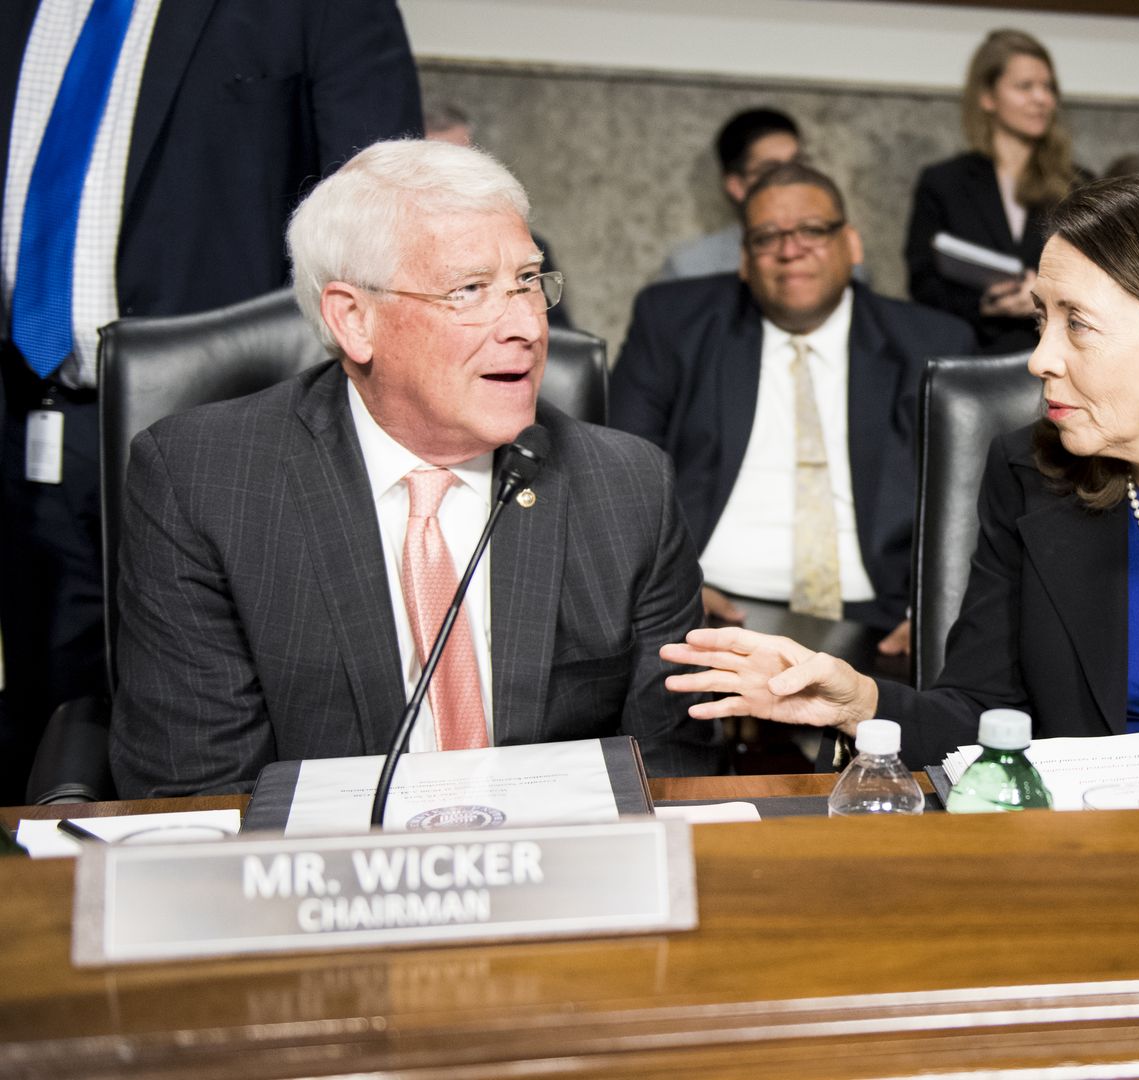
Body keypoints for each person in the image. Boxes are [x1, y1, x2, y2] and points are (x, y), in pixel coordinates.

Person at [664, 174, 1139, 769]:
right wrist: (858, 701)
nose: (1039, 359)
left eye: (1077, 325)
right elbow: (976, 716)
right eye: (1039, 320)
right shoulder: (1029, 469)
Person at [109, 140, 720, 798]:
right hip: (319, 884)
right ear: (354, 319)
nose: (526, 327)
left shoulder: (628, 487)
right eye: (470, 290)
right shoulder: (203, 481)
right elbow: (203, 792)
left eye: (527, 282)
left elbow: (667, 772)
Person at [0, 0, 421, 803]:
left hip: (235, 451)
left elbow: (376, 223)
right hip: (31, 423)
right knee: (46, 733)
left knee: (214, 759)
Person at [609, 162, 972, 654]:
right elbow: (619, 473)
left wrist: (934, 611)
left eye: (812, 231)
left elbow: (970, 497)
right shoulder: (675, 323)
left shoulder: (932, 344)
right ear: (744, 259)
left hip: (877, 617)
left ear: (852, 244)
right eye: (766, 237)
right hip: (707, 604)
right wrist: (672, 587)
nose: (789, 249)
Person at [905, 28, 1081, 352]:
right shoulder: (944, 182)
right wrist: (986, 303)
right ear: (987, 97)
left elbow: (1101, 277)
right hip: (971, 354)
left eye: (1048, 87)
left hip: (1055, 353)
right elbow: (923, 283)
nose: (1042, 99)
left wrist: (1045, 299)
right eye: (1025, 86)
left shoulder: (1077, 184)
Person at [422, 98, 573, 328]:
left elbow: (557, 338)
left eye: (465, 160)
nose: (455, 175)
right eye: (439, 164)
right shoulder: (389, 251)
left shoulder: (527, 247)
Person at [655, 108, 805, 283]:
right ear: (737, 186)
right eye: (771, 170)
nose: (793, 177)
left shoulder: (833, 249)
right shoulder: (692, 267)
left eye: (799, 163)